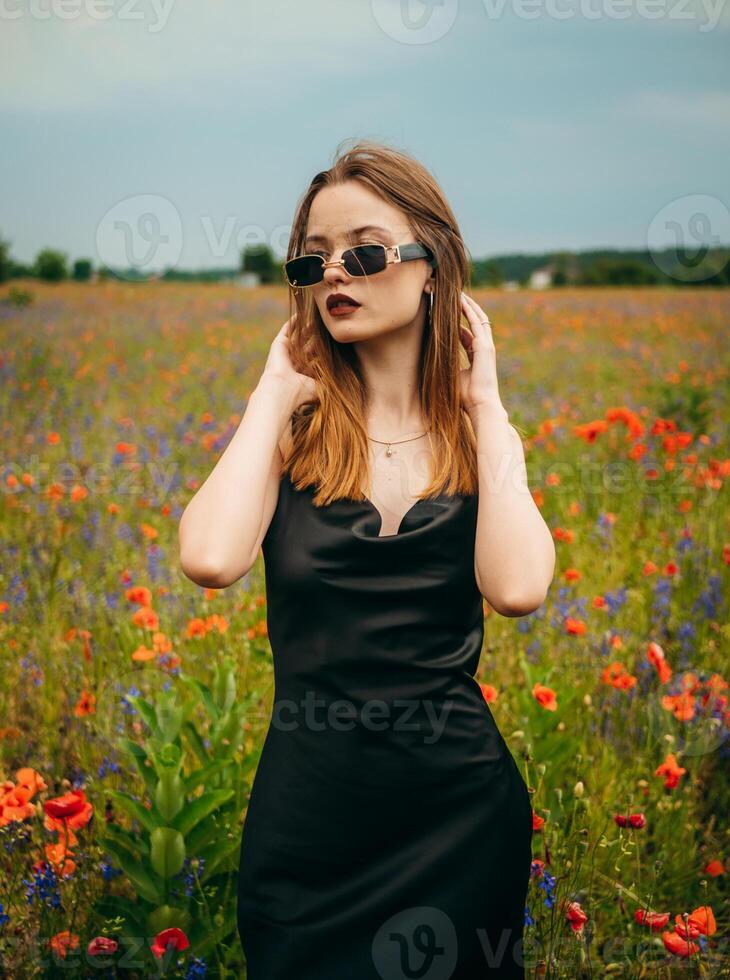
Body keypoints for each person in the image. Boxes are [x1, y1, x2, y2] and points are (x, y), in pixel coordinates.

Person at [179, 139, 556, 979]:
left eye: (363, 250)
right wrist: (272, 392)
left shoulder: (480, 442)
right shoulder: (288, 438)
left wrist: (487, 407)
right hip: (310, 823)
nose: (336, 273)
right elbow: (208, 557)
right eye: (313, 260)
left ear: (433, 268)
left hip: (458, 820)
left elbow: (519, 587)